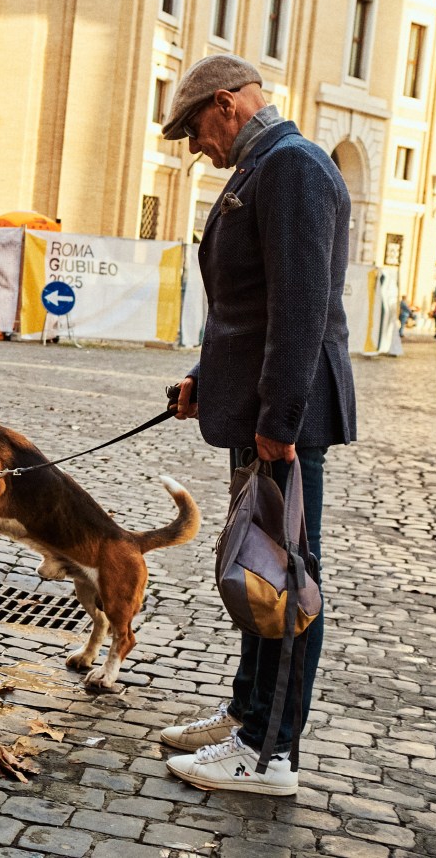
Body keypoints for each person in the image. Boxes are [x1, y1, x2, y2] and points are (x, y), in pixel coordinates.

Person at [158, 55, 356, 796]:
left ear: (228, 104)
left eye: (195, 130)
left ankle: (270, 753)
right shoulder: (266, 165)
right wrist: (205, 384)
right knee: (258, 564)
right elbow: (249, 305)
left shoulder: (292, 166)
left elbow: (301, 308)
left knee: (286, 576)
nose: (195, 147)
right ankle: (247, 714)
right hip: (265, 409)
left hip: (287, 417)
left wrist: (278, 418)